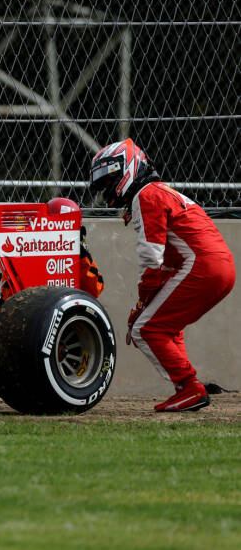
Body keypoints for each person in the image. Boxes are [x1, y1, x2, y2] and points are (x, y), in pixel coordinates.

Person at [89, 138, 235, 412]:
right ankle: (187, 388)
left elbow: (150, 258)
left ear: (127, 169)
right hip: (219, 266)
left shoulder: (146, 195)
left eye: (109, 181)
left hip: (202, 266)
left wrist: (142, 304)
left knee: (146, 328)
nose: (108, 191)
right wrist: (146, 304)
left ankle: (189, 387)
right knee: (163, 324)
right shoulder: (160, 191)